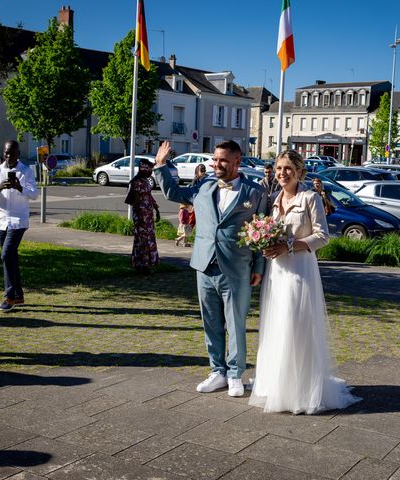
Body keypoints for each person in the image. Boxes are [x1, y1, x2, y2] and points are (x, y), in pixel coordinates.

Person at [249, 149, 360, 414]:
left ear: (300, 172)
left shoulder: (310, 198)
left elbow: (323, 237)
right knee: (276, 325)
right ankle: (276, 384)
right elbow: (270, 233)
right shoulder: (274, 199)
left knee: (296, 325)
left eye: (288, 168)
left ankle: (300, 390)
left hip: (300, 270)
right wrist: (264, 244)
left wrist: (289, 246)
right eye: (278, 168)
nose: (282, 173)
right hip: (277, 272)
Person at [154, 140, 267, 397]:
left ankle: (236, 373)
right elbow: (173, 193)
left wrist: (259, 266)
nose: (217, 164)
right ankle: (217, 371)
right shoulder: (203, 186)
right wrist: (161, 165)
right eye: (215, 160)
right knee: (211, 322)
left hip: (237, 267)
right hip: (205, 265)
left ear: (238, 161)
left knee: (236, 323)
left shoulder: (255, 193)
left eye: (223, 160)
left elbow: (262, 232)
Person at [0, 140, 38, 312]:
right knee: (11, 257)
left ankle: (9, 296)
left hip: (18, 221)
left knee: (6, 255)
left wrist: (20, 188)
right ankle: (19, 295)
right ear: (3, 153)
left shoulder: (25, 171)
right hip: (1, 221)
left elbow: (34, 194)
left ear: (18, 154)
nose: (9, 156)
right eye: (6, 152)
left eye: (12, 153)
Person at [127, 158, 160, 274]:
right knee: (142, 240)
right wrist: (139, 218)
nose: (151, 172)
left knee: (149, 239)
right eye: (150, 170)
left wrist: (156, 209)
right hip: (141, 217)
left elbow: (149, 197)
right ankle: (141, 265)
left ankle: (147, 264)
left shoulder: (146, 182)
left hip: (148, 217)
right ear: (144, 170)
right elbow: (135, 202)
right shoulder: (136, 183)